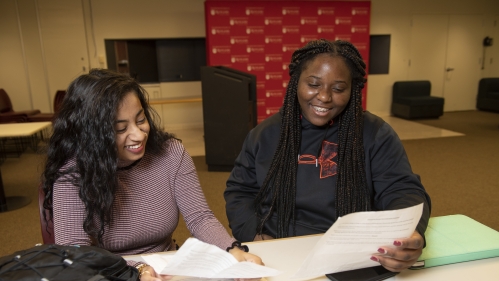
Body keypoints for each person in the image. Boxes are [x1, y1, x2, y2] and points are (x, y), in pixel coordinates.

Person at [224, 39, 431, 272]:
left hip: (352, 256)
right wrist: (254, 234)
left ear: (353, 89)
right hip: (279, 250)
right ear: (296, 82)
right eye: (313, 84)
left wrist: (407, 233)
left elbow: (402, 189)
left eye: (338, 88)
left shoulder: (375, 134)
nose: (324, 97)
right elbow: (240, 191)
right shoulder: (265, 135)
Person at [42, 68, 262, 281]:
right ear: (91, 134)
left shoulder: (171, 153)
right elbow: (75, 250)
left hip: (167, 269)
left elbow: (200, 218)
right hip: (105, 273)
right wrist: (136, 269)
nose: (138, 135)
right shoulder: (72, 172)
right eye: (120, 129)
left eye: (140, 120)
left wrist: (231, 249)